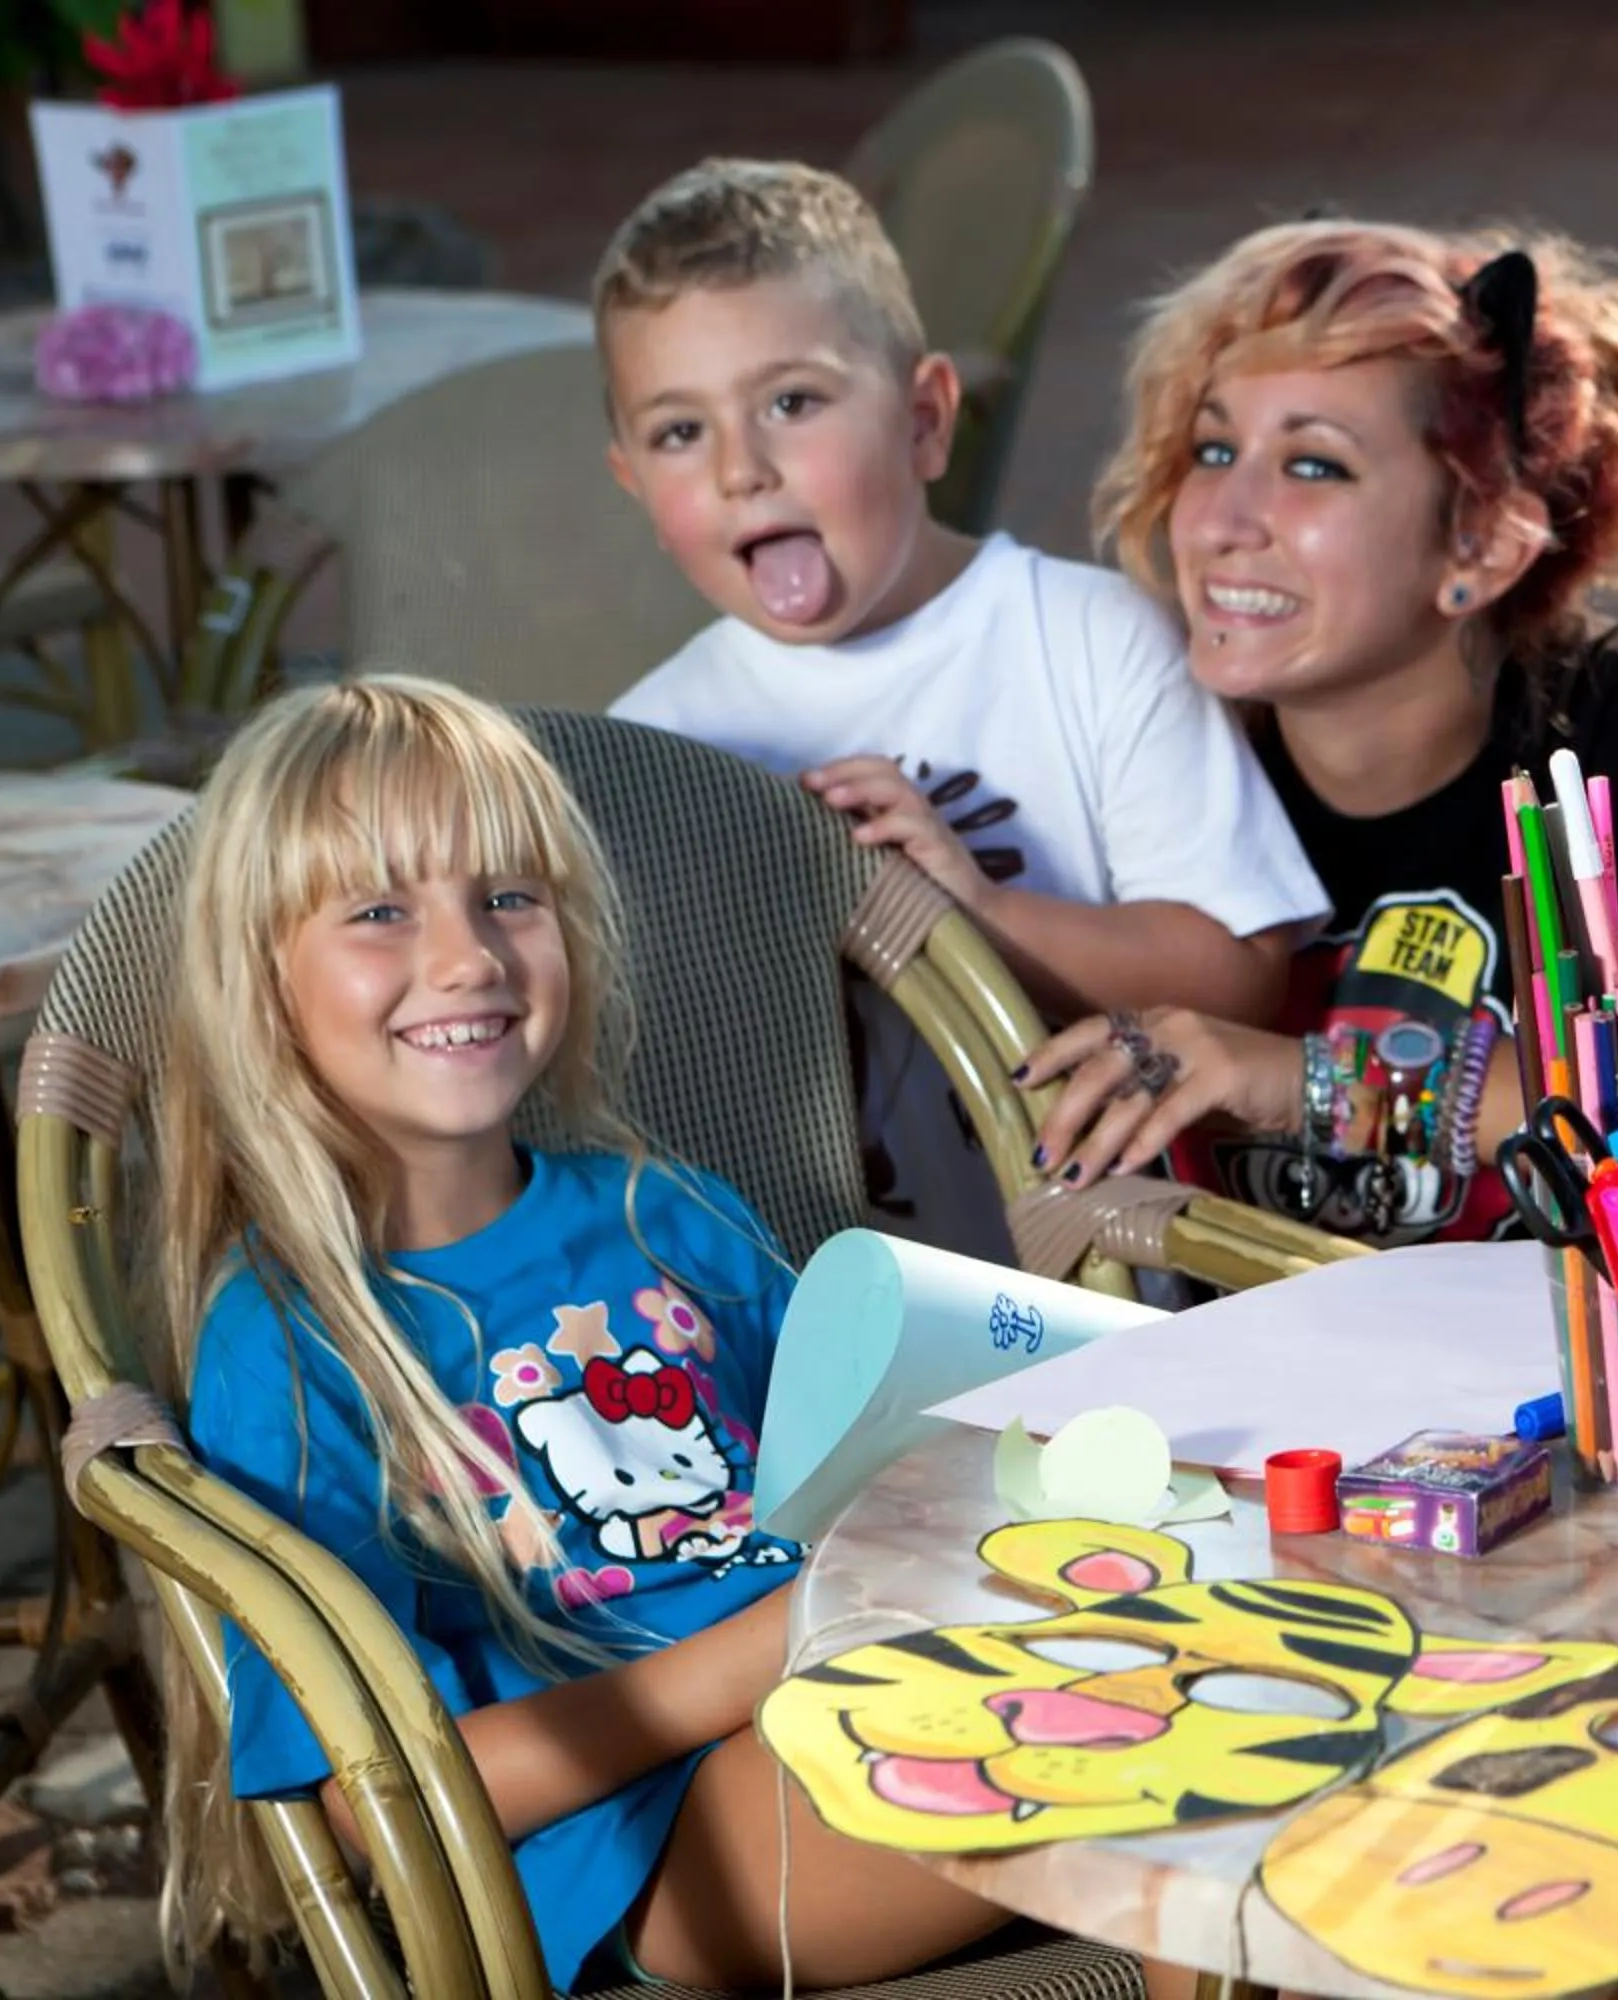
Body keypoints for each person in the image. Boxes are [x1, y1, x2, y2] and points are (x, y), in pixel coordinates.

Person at [156, 679, 1175, 1995]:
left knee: (1219, 1667)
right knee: (1183, 1757)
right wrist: (778, 1644)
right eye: (380, 910)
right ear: (259, 974)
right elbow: (384, 1799)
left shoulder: (666, 1213)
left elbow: (825, 1490)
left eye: (508, 897)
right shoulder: (289, 1342)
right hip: (643, 1844)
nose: (467, 957)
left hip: (868, 1684)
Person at [1019, 218, 1618, 1245]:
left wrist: (1316, 1083)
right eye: (1214, 447)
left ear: (1480, 547)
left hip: (1579, 1373)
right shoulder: (1145, 726)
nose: (1222, 518)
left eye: (1314, 466)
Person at [596, 159, 1324, 1246]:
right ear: (636, 489)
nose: (743, 469)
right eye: (680, 432)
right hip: (811, 1315)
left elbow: (1242, 976)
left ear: (928, 420)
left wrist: (977, 910)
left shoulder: (1093, 638)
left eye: (792, 402)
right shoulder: (645, 746)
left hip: (1100, 1288)